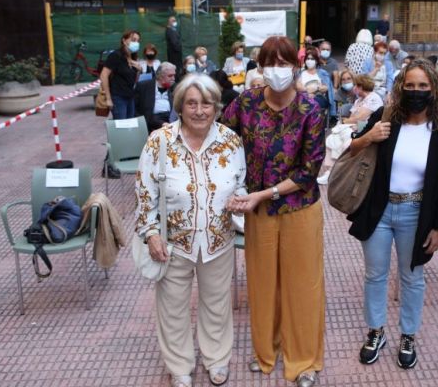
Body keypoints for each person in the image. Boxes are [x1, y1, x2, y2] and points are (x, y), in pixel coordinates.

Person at [222, 35, 326, 387]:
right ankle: (265, 352)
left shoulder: (312, 107)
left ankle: (303, 360)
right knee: (262, 282)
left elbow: (309, 170)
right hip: (258, 211)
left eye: (283, 63)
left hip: (298, 207)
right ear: (260, 67)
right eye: (270, 63)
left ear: (296, 66)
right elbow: (222, 137)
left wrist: (261, 193)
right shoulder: (247, 101)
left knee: (302, 284)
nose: (277, 70)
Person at [135, 74, 246, 387]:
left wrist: (239, 202)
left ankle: (216, 359)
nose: (200, 110)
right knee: (172, 308)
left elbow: (240, 183)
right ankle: (180, 366)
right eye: (192, 103)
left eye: (206, 103)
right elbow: (144, 193)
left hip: (217, 240)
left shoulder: (230, 141)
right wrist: (150, 233)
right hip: (172, 243)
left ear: (217, 107)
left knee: (217, 304)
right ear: (180, 107)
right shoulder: (160, 141)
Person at [347, 59, 438, 369]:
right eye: (410, 85)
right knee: (375, 275)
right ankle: (376, 331)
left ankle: (408, 334)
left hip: (416, 211)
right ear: (401, 87)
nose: (416, 91)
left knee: (412, 277)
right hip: (380, 209)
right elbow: (351, 150)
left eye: (423, 86)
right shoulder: (386, 119)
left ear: (433, 89)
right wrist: (370, 137)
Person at [318, 73, 384, 185]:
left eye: (356, 86)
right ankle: (331, 171)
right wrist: (347, 121)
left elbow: (359, 117)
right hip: (354, 127)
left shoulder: (373, 98)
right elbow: (352, 118)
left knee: (345, 142)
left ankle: (336, 173)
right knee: (333, 139)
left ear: (361, 86)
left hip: (366, 130)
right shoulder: (358, 100)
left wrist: (345, 121)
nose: (354, 88)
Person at [100, 29, 142, 120]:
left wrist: (139, 70)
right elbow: (104, 75)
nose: (136, 43)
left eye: (138, 41)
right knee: (121, 126)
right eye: (133, 40)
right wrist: (108, 98)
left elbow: (134, 81)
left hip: (130, 96)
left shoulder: (133, 57)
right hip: (118, 97)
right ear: (124, 40)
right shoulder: (116, 55)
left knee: (130, 126)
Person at [134, 62, 176, 131]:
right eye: (170, 76)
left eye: (174, 75)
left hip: (170, 118)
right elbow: (136, 110)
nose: (173, 78)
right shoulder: (143, 86)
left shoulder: (174, 88)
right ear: (160, 76)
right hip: (151, 119)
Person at [296, 48, 335, 117]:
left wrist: (314, 90)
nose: (309, 61)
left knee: (311, 103)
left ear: (316, 61)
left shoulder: (322, 73)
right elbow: (298, 87)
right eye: (308, 59)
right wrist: (308, 94)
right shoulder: (301, 73)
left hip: (319, 97)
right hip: (304, 97)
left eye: (312, 59)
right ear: (305, 61)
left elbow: (326, 87)